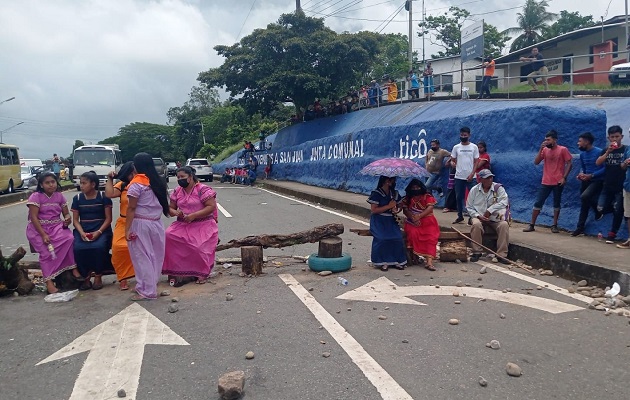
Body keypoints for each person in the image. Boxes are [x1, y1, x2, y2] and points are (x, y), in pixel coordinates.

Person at [26, 172, 84, 294]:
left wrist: (67, 219)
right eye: (47, 183)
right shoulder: (35, 197)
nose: (51, 185)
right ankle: (49, 282)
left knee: (69, 238)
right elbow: (34, 218)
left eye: (53, 182)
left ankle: (73, 267)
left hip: (56, 226)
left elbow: (66, 213)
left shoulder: (59, 196)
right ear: (41, 185)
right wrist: (43, 234)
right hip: (38, 229)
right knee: (46, 252)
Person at [162, 167, 219, 286]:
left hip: (203, 223)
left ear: (191, 177)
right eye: (178, 177)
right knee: (169, 235)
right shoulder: (177, 191)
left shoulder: (202, 190)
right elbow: (170, 207)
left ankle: (200, 272)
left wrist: (194, 215)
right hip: (183, 223)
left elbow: (211, 207)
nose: (180, 179)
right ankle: (174, 272)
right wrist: (176, 212)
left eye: (182, 177)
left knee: (198, 246)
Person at [125, 153, 169, 301]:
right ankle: (150, 285)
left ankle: (147, 290)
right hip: (156, 223)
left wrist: (127, 230)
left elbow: (131, 208)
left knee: (141, 257)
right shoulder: (157, 181)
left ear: (135, 166)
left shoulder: (136, 184)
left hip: (140, 224)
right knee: (156, 256)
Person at [523, 130, 573, 233]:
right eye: (545, 140)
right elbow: (536, 162)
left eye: (548, 140)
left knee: (556, 203)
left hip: (558, 181)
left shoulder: (563, 149)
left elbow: (569, 163)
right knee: (538, 202)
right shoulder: (545, 150)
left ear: (555, 140)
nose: (546, 142)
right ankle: (532, 224)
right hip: (546, 181)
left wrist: (564, 177)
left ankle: (554, 225)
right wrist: (541, 148)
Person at [71, 171, 114, 290]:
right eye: (81, 183)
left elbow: (108, 219)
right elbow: (75, 221)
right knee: (78, 249)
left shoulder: (103, 197)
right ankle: (86, 276)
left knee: (99, 247)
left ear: (93, 184)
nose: (81, 186)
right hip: (83, 231)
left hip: (101, 230)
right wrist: (81, 233)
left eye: (84, 183)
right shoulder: (77, 198)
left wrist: (99, 232)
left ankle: (98, 275)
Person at [466, 169, 511, 264]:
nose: (490, 179)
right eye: (487, 178)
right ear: (481, 179)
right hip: (479, 216)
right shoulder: (474, 190)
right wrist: (478, 216)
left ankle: (501, 255)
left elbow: (504, 201)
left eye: (491, 177)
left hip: (494, 218)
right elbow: (469, 207)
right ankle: (477, 252)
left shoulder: (498, 188)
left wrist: (490, 210)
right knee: (476, 224)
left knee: (504, 225)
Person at [105, 161, 136, 291]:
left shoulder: (142, 184)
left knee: (141, 249)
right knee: (118, 248)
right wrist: (110, 179)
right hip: (123, 221)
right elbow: (110, 194)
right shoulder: (123, 185)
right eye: (130, 173)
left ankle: (144, 276)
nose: (133, 175)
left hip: (138, 222)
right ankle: (123, 277)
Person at [367, 176, 407, 271]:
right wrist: (388, 206)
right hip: (379, 220)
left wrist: (396, 209)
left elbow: (400, 206)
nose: (391, 182)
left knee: (397, 238)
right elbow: (374, 210)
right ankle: (382, 262)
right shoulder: (376, 193)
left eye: (392, 180)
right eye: (389, 180)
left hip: (390, 220)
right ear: (384, 181)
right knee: (382, 238)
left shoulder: (394, 193)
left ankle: (396, 261)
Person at [596, 125, 627, 243]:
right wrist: (608, 152)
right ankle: (609, 207)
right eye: (612, 137)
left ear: (622, 137)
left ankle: (612, 233)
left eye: (617, 136)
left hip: (620, 185)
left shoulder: (626, 149)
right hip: (607, 185)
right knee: (600, 207)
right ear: (608, 138)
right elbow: (598, 162)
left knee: (618, 210)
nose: (615, 139)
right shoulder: (606, 150)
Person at [402, 179, 440, 271]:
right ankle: (414, 257)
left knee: (431, 238)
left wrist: (419, 216)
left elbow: (430, 208)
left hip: (428, 222)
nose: (415, 189)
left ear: (421, 187)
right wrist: (413, 218)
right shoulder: (408, 198)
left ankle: (429, 263)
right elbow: (405, 210)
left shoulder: (427, 196)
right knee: (413, 233)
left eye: (417, 187)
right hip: (412, 222)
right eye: (413, 187)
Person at [572, 132, 605, 236]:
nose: (578, 143)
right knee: (584, 203)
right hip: (586, 180)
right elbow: (584, 168)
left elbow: (605, 168)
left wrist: (592, 175)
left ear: (587, 142)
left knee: (585, 196)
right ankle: (580, 228)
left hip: (597, 180)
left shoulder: (599, 152)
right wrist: (581, 175)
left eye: (580, 141)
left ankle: (598, 210)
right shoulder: (582, 155)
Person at [450, 127, 479, 224]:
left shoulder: (474, 147)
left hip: (471, 177)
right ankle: (460, 216)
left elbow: (476, 162)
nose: (463, 137)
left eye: (465, 135)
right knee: (458, 197)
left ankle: (473, 217)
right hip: (459, 176)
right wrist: (452, 164)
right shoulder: (456, 147)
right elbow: (452, 160)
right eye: (461, 135)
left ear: (469, 135)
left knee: (474, 197)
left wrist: (472, 174)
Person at [616, 146, 630, 249]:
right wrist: (625, 163)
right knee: (628, 215)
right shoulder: (628, 150)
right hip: (628, 186)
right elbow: (622, 166)